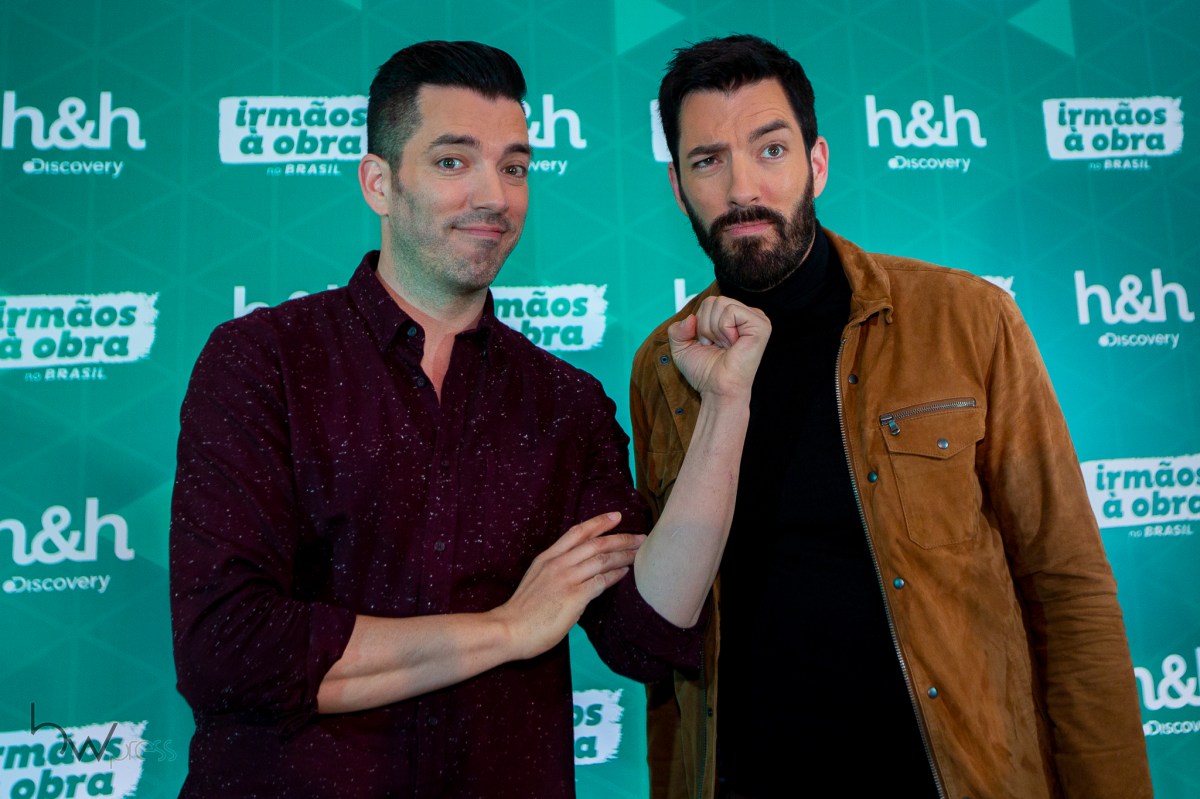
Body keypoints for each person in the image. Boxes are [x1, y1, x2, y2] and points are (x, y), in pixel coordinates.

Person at [170, 40, 768, 798]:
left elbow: (647, 633)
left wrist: (726, 404)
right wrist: (507, 629)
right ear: (379, 183)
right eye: (453, 161)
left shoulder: (565, 402)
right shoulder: (263, 361)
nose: (495, 195)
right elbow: (228, 651)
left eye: (514, 167)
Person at [631, 33, 1152, 799]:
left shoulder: (967, 318)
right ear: (678, 187)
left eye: (770, 149)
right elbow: (667, 657)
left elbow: (1067, 588)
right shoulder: (663, 364)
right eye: (708, 160)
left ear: (817, 163)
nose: (742, 186)